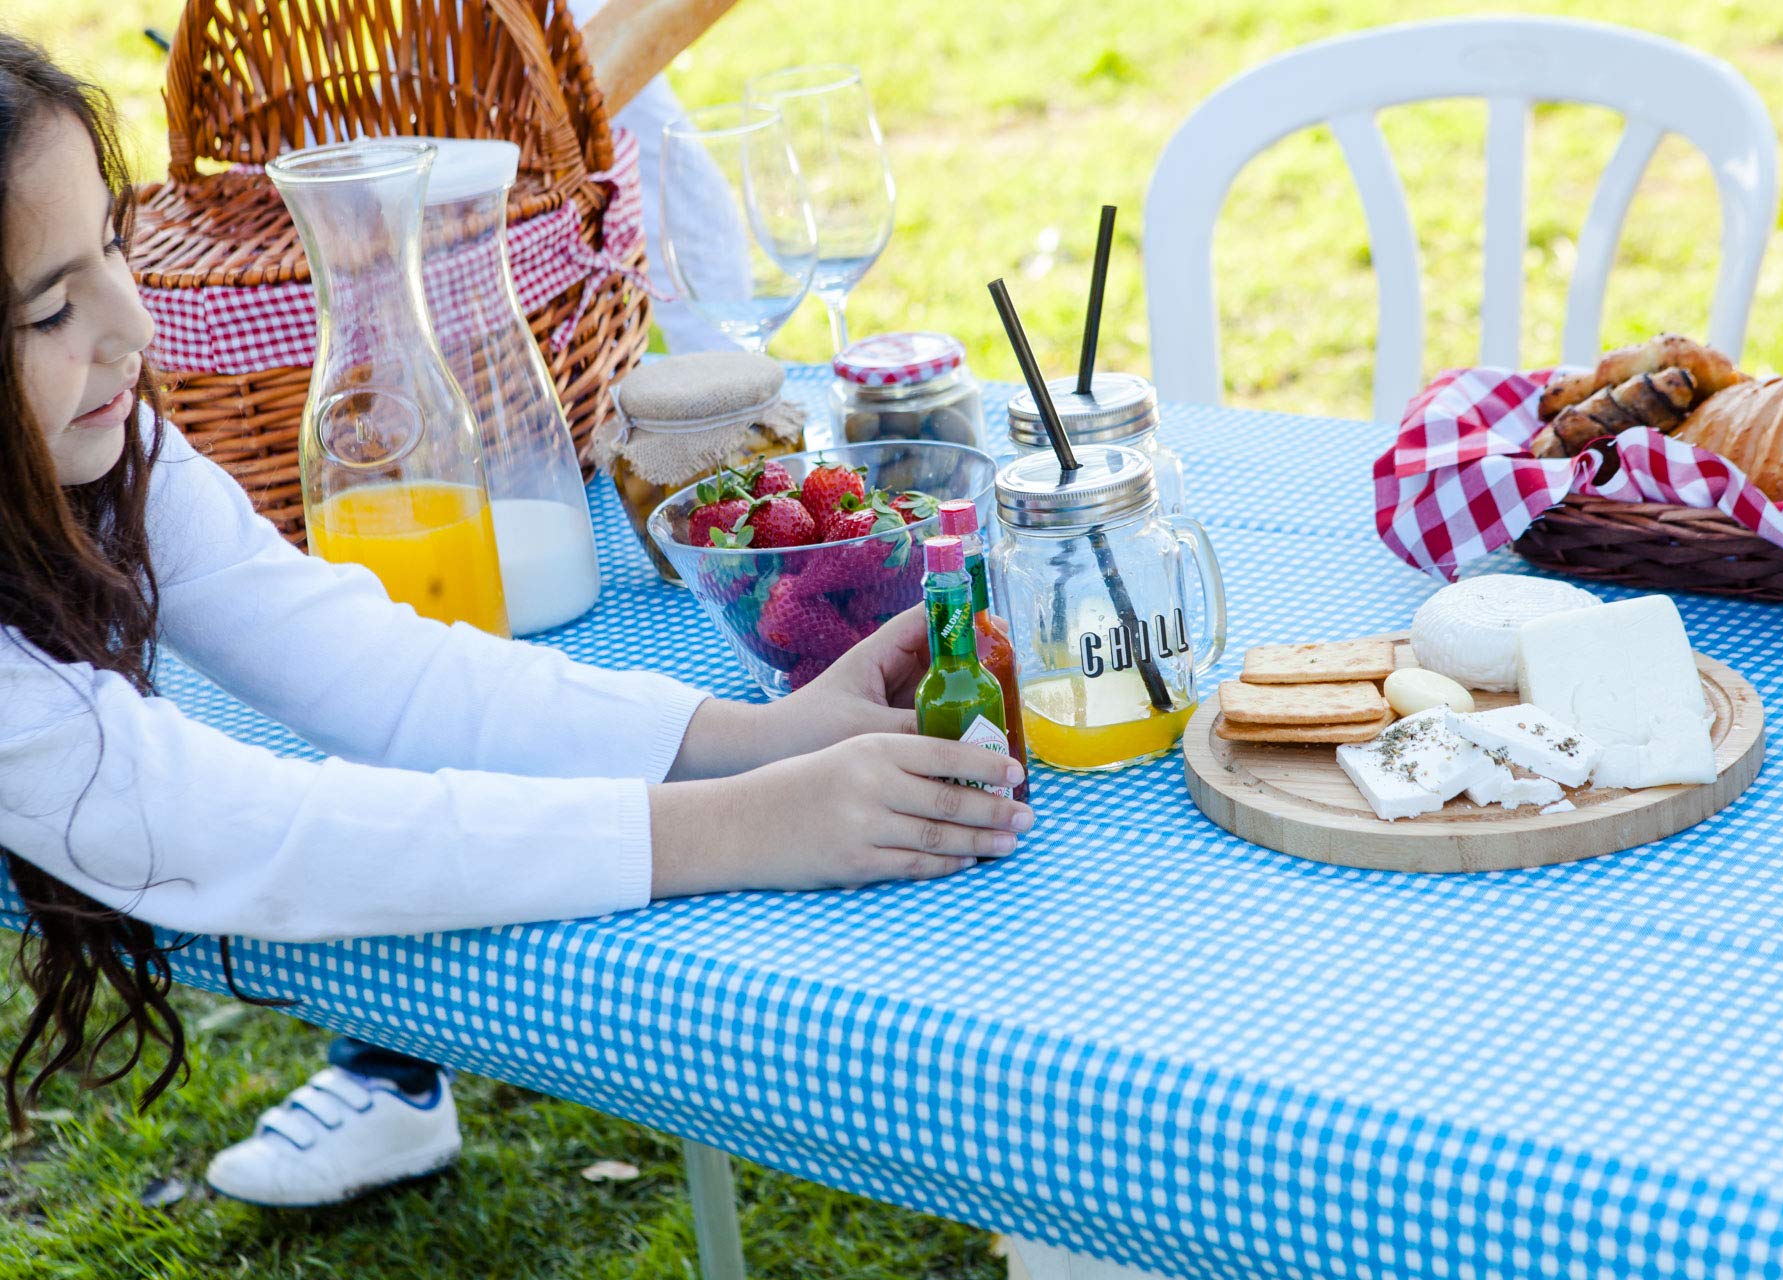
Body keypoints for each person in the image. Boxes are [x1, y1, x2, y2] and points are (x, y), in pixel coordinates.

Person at [0, 32, 1034, 1214]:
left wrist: (758, 738)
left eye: (116, 250)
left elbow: (359, 660)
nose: (132, 326)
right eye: (48, 311)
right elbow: (229, 831)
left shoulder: (104, 439)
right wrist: (744, 826)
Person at [201, 42, 754, 1204]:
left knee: (514, 675)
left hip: (544, 210)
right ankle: (389, 1058)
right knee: (395, 719)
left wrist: (547, 113)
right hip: (416, 272)